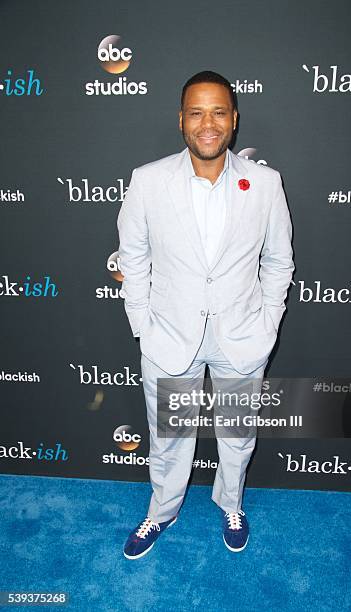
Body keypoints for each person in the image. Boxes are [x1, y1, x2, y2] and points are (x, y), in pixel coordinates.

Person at [117, 70, 294, 559]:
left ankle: (231, 503)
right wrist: (142, 326)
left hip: (241, 334)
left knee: (238, 433)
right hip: (171, 335)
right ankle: (161, 511)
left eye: (218, 112)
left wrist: (268, 323)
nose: (207, 123)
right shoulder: (149, 181)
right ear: (181, 120)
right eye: (197, 112)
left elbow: (279, 261)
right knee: (170, 437)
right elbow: (132, 257)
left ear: (234, 120)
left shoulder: (264, 183)